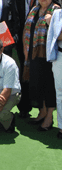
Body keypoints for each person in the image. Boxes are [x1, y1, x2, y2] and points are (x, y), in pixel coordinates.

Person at [23, 0, 59, 130]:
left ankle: (49, 117)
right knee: (39, 84)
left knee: (49, 86)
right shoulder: (34, 10)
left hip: (50, 55)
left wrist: (51, 21)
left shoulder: (56, 10)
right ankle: (42, 111)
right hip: (34, 54)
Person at [15, 0, 41, 118]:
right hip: (20, 40)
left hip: (39, 41)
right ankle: (24, 107)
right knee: (23, 72)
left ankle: (39, 105)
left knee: (38, 72)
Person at [46, 7, 62, 139]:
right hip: (60, 56)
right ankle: (61, 127)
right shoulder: (57, 14)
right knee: (60, 92)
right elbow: (57, 35)